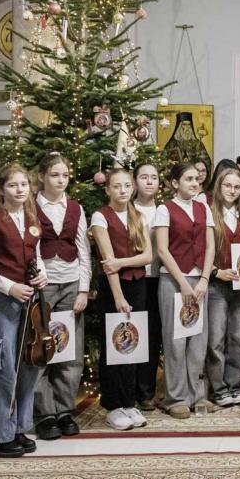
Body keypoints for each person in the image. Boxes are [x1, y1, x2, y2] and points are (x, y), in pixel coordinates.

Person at [0, 164, 48, 457]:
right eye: (13, 185)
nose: (20, 190)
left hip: (31, 300)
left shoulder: (31, 218)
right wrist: (9, 287)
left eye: (24, 184)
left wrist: (42, 275)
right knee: (4, 366)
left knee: (29, 363)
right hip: (4, 300)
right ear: (1, 189)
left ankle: (19, 427)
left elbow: (37, 256)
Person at [32, 153, 91, 441]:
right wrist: (39, 275)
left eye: (65, 175)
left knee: (69, 349)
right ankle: (44, 413)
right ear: (42, 176)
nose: (60, 180)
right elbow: (30, 245)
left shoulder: (75, 208)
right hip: (43, 284)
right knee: (41, 347)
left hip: (70, 282)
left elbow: (83, 250)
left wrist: (83, 289)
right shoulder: (31, 206)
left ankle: (65, 409)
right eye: (55, 175)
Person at [89, 168, 153, 431]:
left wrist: (122, 262)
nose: (123, 190)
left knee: (132, 344)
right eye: (116, 186)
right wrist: (118, 297)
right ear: (107, 190)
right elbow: (108, 263)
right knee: (114, 344)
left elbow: (147, 256)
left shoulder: (138, 215)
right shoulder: (100, 217)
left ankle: (129, 402)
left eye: (127, 185)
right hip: (114, 288)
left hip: (138, 285)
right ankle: (113, 405)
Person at [153, 162, 215, 419]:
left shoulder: (204, 208)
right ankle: (176, 398)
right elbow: (162, 250)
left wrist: (204, 279)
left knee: (198, 340)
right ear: (175, 183)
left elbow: (210, 246)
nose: (194, 183)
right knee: (176, 341)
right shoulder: (164, 209)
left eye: (196, 179)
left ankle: (197, 395)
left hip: (199, 280)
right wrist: (183, 283)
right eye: (188, 179)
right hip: (173, 280)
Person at [206, 165, 240, 407]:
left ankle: (234, 385)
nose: (232, 190)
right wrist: (216, 271)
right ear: (219, 186)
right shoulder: (209, 212)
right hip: (216, 284)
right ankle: (218, 389)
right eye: (227, 185)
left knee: (239, 338)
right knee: (216, 338)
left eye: (237, 187)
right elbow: (202, 250)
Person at [132, 163, 162, 412]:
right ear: (135, 181)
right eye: (144, 177)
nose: (149, 181)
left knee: (153, 335)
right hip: (135, 278)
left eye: (154, 177)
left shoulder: (164, 210)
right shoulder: (128, 209)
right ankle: (129, 389)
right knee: (135, 332)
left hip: (160, 277)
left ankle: (146, 391)